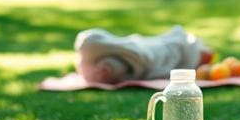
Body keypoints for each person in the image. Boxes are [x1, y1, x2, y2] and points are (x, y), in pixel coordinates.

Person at [75, 25, 213, 83]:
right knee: (139, 53)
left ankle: (101, 67)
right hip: (148, 50)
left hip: (146, 56)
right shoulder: (187, 43)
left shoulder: (190, 60)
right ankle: (99, 66)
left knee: (116, 64)